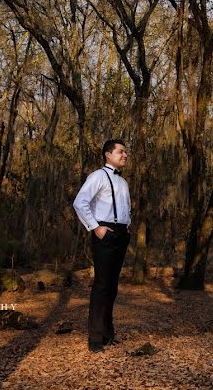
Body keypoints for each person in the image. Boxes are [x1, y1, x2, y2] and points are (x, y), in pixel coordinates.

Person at [73, 139, 131, 352]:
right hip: (104, 234)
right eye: (120, 152)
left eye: (125, 152)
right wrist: (96, 227)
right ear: (108, 154)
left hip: (121, 235)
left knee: (112, 287)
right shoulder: (98, 176)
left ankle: (107, 333)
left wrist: (128, 228)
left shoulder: (123, 182)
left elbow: (125, 209)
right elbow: (80, 202)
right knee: (102, 286)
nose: (125, 155)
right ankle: (95, 339)